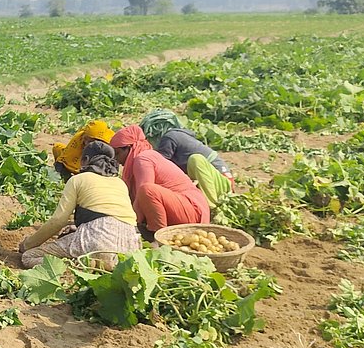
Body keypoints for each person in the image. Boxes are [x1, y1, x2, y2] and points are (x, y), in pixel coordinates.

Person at [18, 141, 141, 269]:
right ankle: (103, 264)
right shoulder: (120, 183)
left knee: (29, 257)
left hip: (96, 241)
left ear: (85, 159)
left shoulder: (78, 180)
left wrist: (28, 244)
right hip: (129, 247)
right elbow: (111, 216)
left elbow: (57, 221)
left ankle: (75, 265)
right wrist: (78, 228)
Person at [109, 123, 209, 234]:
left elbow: (144, 193)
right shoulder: (145, 158)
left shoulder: (143, 158)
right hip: (183, 207)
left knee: (147, 190)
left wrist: (129, 225)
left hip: (192, 209)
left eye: (117, 154)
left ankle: (157, 235)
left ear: (129, 148)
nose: (117, 160)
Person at [140, 109, 234, 206]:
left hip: (221, 184)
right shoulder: (180, 135)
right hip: (220, 181)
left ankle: (211, 205)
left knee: (195, 159)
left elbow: (161, 164)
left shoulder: (170, 137)